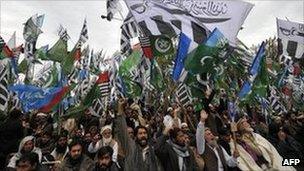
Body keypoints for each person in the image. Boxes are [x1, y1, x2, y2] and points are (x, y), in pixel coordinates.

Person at [114, 98, 162, 171]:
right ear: (135, 136)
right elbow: (122, 131)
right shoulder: (130, 147)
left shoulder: (152, 150)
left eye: (145, 133)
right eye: (140, 133)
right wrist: (120, 109)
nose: (143, 135)